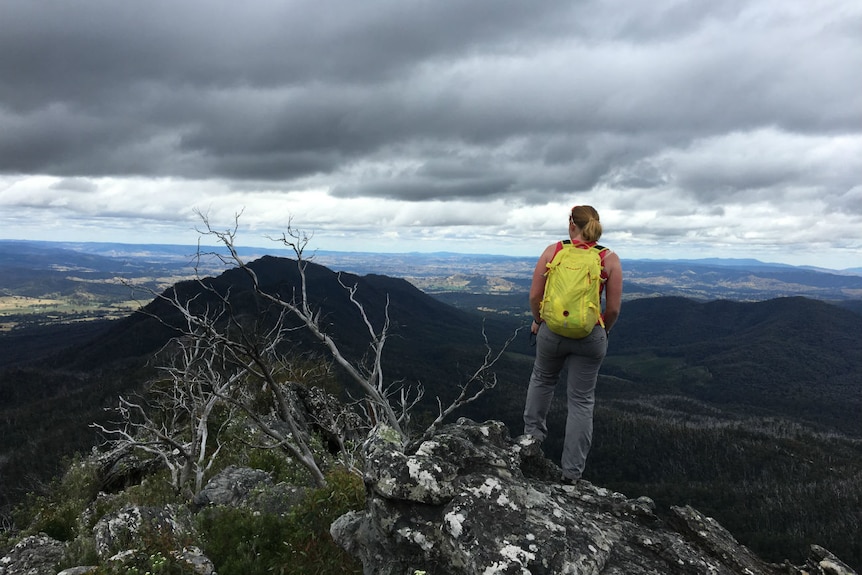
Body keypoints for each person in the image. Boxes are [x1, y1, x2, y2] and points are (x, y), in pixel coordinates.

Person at [523, 205, 623, 483]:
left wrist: (539, 319)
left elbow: (534, 295)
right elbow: (613, 309)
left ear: (571, 225)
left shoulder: (553, 251)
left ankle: (530, 443)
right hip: (590, 337)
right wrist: (603, 330)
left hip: (551, 332)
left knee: (542, 380)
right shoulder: (609, 259)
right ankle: (571, 474)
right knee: (581, 401)